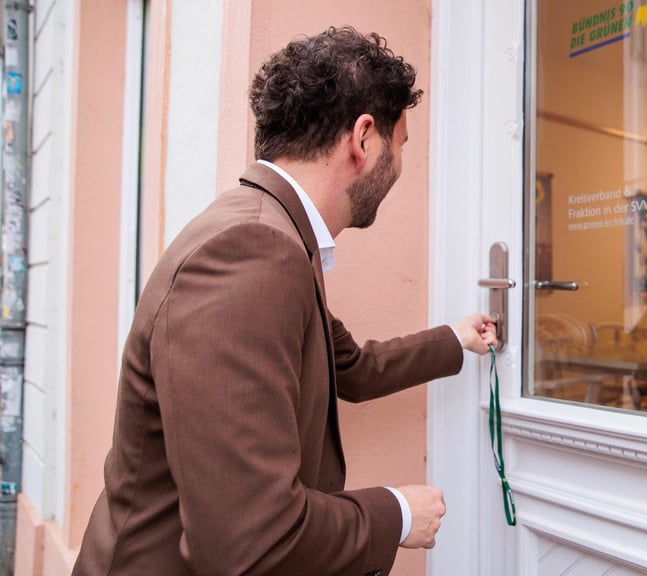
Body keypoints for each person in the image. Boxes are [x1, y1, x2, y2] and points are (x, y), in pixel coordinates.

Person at [72, 26, 497, 576]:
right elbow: (251, 540)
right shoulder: (251, 250)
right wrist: (395, 514)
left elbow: (349, 366)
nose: (400, 165)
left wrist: (455, 340)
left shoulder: (275, 234)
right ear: (364, 138)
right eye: (402, 145)